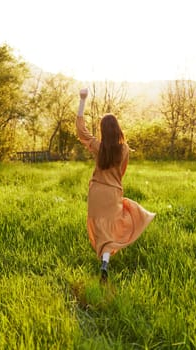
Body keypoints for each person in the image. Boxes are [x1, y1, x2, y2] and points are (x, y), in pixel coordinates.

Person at [76, 88, 155, 282]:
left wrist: (82, 100)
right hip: (112, 192)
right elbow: (122, 172)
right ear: (117, 129)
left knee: (101, 229)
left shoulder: (98, 147)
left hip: (96, 193)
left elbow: (81, 131)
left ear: (103, 130)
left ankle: (104, 261)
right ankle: (105, 260)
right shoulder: (125, 149)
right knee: (117, 223)